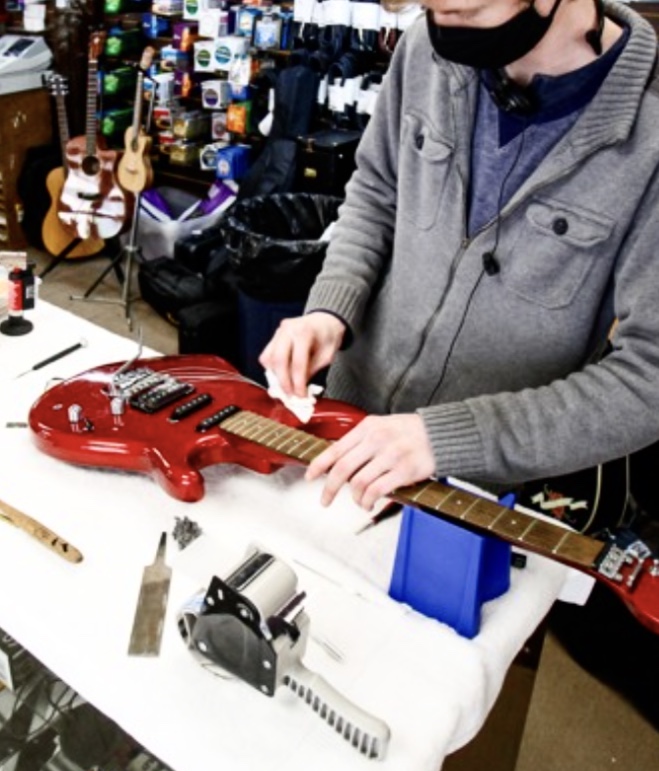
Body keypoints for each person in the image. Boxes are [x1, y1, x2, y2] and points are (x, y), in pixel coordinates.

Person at [259, 0, 659, 515]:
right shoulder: (426, 49)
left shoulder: (648, 137)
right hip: (346, 424)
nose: (443, 29)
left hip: (481, 496)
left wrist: (446, 438)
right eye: (429, 8)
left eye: (464, 12)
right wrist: (330, 308)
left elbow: (648, 380)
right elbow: (378, 192)